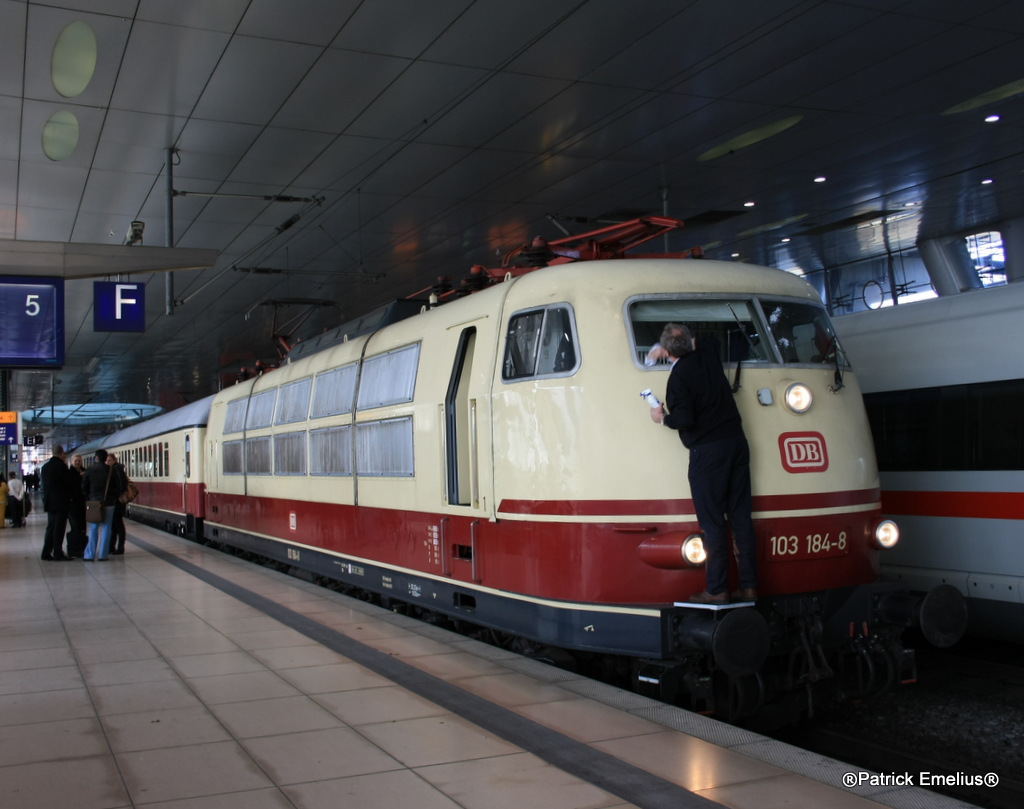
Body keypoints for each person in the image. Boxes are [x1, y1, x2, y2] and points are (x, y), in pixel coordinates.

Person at [649, 323, 758, 604]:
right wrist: (677, 344)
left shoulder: (678, 379)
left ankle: (717, 589)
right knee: (741, 520)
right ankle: (748, 586)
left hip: (708, 452)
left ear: (666, 352)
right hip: (737, 443)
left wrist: (661, 417)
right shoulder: (708, 355)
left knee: (712, 523)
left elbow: (685, 419)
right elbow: (709, 340)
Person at [81, 449, 125, 561]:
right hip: (109, 503)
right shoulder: (111, 470)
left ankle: (90, 555)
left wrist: (89, 497)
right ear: (106, 458)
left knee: (93, 528)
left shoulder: (90, 470)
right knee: (106, 527)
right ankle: (103, 554)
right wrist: (113, 498)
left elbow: (84, 486)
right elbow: (119, 487)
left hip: (94, 503)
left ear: (96, 458)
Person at [41, 446, 73, 560]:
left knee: (50, 527)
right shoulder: (61, 466)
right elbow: (69, 482)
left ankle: (46, 552)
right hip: (60, 502)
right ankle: (58, 553)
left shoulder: (45, 467)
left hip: (49, 502)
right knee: (59, 528)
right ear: (62, 454)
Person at [106, 452, 128, 554]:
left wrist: (113, 493)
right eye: (106, 460)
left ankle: (120, 547)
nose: (108, 462)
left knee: (118, 525)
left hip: (117, 502)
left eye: (110, 460)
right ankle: (112, 547)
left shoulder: (117, 470)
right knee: (115, 525)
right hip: (115, 501)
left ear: (114, 460)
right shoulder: (114, 469)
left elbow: (121, 486)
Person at [66, 454, 88, 556]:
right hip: (73, 504)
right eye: (76, 461)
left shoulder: (85, 471)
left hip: (83, 503)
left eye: (79, 461)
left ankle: (82, 547)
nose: (78, 462)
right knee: (75, 526)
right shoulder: (69, 473)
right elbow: (69, 485)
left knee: (83, 525)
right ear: (71, 462)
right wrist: (80, 477)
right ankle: (76, 549)